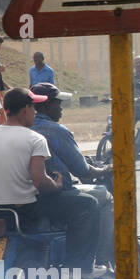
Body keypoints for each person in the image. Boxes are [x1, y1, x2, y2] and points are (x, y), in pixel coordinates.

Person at [0, 88, 104, 279]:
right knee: (88, 205)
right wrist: (57, 185)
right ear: (24, 110)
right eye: (33, 108)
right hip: (28, 209)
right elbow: (40, 181)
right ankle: (78, 267)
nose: (36, 113)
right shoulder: (34, 139)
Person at [31, 83, 114, 261]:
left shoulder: (19, 128)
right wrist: (104, 170)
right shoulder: (56, 131)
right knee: (105, 197)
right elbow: (82, 170)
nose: (61, 108)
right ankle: (98, 257)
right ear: (46, 105)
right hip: (52, 195)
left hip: (22, 197)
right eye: (58, 103)